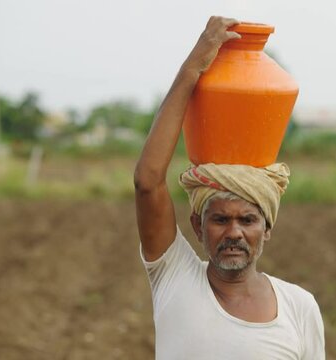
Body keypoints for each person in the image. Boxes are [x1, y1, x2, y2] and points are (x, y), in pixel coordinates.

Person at [133, 16, 325, 359]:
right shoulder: (174, 277)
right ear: (197, 226)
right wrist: (194, 66)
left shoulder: (299, 308)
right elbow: (148, 183)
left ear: (267, 228)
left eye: (248, 220)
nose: (234, 232)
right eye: (220, 219)